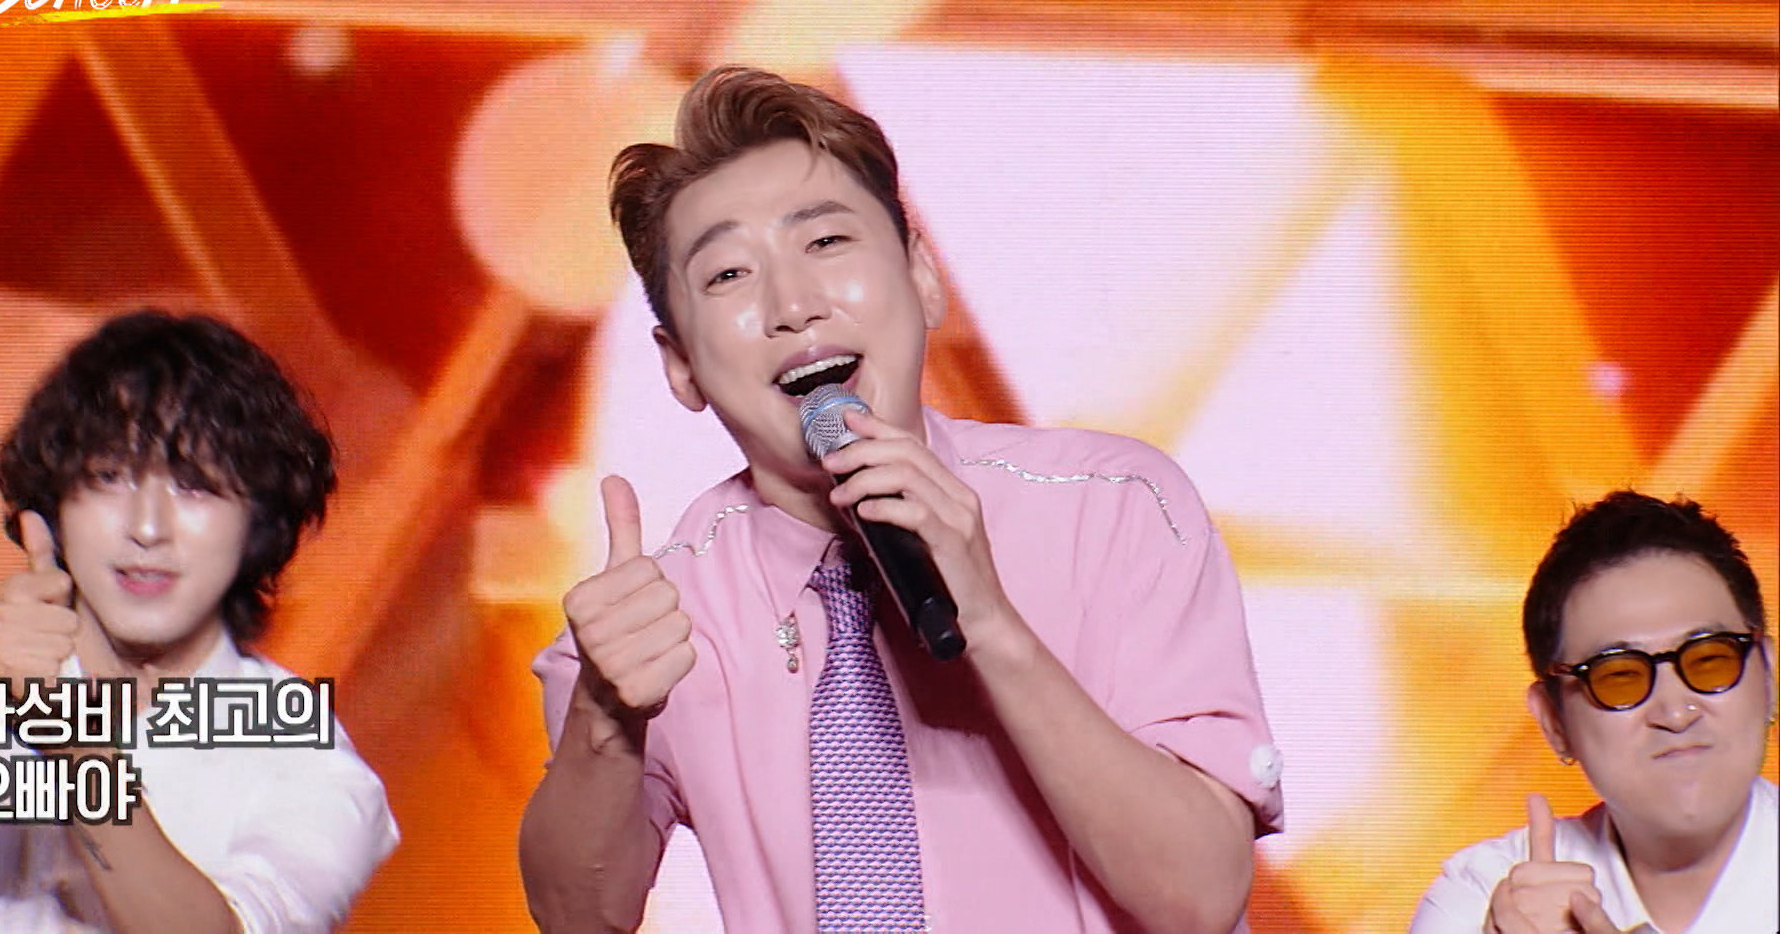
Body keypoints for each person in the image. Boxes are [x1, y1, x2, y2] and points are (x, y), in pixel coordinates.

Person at [519, 66, 1283, 933]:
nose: (792, 305)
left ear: (923, 277)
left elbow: (1201, 896)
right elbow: (578, 917)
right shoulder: (654, 615)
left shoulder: (1114, 508)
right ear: (681, 366)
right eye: (728, 274)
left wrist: (989, 621)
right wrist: (606, 720)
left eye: (825, 242)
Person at [0, 310, 399, 933]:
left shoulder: (310, 762)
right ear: (51, 507)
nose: (147, 528)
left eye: (195, 487)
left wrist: (78, 749)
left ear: (258, 525)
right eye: (109, 478)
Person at [1410, 491, 1777, 934]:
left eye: (1709, 659)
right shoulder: (1483, 896)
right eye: (1619, 676)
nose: (1676, 713)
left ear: (1768, 675)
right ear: (1554, 722)